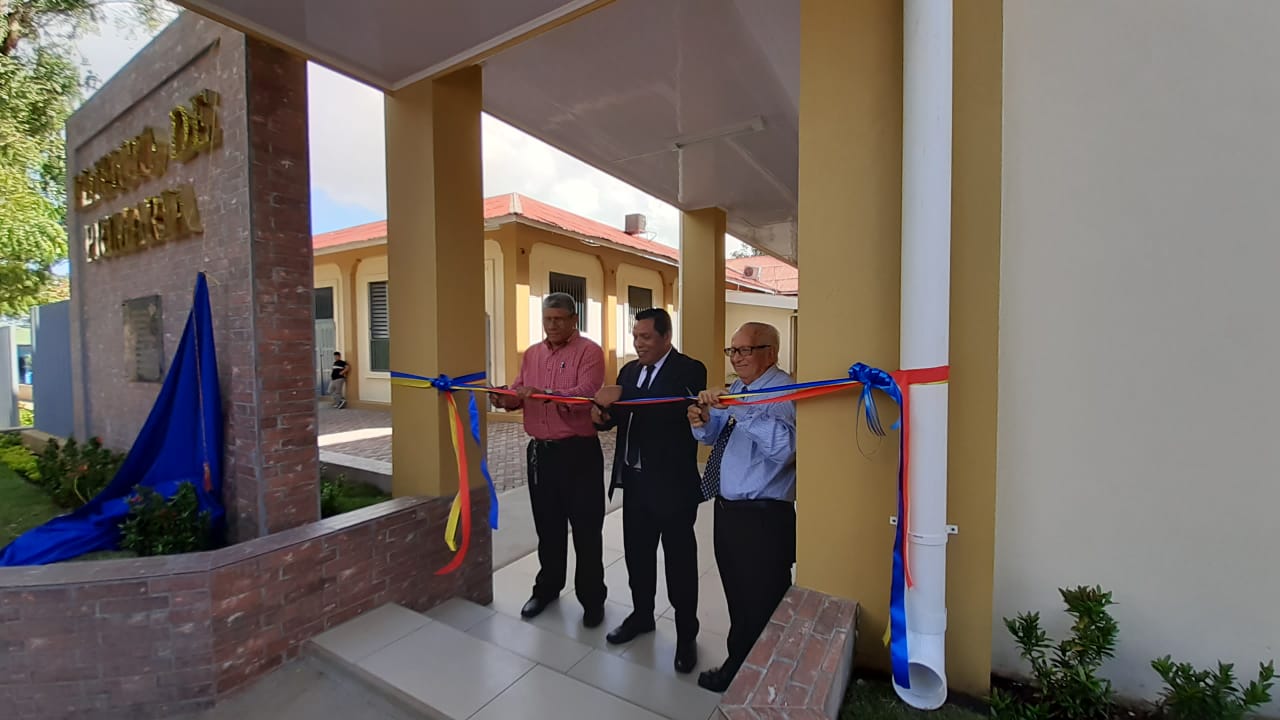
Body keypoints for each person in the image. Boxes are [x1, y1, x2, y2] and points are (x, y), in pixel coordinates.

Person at [591, 308, 706, 674]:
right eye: (635, 336)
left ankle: (687, 635)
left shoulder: (689, 369)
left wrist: (622, 394)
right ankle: (642, 616)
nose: (637, 343)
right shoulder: (629, 370)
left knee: (680, 563)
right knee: (637, 556)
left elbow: (672, 410)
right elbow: (620, 415)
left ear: (666, 337)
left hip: (673, 487)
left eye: (645, 337)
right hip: (635, 483)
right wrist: (603, 415)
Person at [687, 322, 797, 693]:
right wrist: (701, 420)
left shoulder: (784, 392)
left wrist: (743, 406)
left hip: (763, 517)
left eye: (744, 350)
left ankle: (756, 673)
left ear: (771, 353)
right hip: (729, 510)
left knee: (763, 601)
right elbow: (715, 433)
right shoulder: (740, 388)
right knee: (738, 596)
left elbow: (784, 451)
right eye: (732, 351)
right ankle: (745, 664)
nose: (736, 358)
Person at [491, 292, 608, 627]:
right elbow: (518, 393)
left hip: (579, 453)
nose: (553, 325)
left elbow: (585, 395)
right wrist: (505, 398)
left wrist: (542, 394)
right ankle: (547, 589)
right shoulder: (532, 354)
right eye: (547, 319)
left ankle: (591, 599)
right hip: (540, 454)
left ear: (574, 320)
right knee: (548, 527)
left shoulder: (590, 352)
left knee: (586, 530)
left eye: (560, 319)